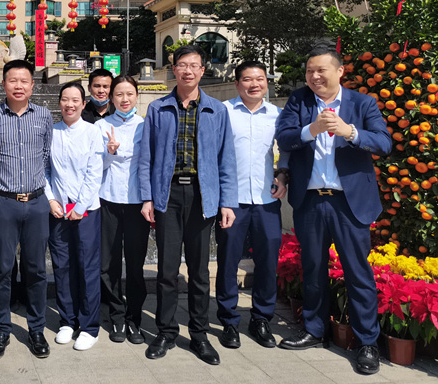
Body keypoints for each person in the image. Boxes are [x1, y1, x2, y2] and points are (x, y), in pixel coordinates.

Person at [276, 48, 391, 375]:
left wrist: (349, 132)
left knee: (357, 271)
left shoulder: (362, 103)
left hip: (348, 203)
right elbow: (283, 136)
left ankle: (367, 342)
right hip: (311, 200)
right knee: (313, 268)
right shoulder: (299, 101)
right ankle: (315, 330)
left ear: (340, 72)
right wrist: (310, 130)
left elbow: (384, 143)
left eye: (321, 70)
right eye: (309, 71)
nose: (314, 77)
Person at [138, 45, 238, 365]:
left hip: (202, 196)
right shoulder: (158, 108)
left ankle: (199, 334)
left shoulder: (217, 110)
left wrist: (227, 202)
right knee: (167, 270)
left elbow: (226, 159)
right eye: (182, 65)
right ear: (174, 69)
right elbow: (146, 157)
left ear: (202, 70)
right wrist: (147, 197)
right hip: (167, 195)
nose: (188, 71)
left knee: (199, 272)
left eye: (194, 65)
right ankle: (166, 332)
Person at [0, 60, 54, 360]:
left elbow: (45, 154)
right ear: (4, 84)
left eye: (24, 81)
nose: (18, 86)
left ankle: (36, 329)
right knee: (2, 268)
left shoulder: (44, 115)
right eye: (13, 80)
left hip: (36, 202)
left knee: (36, 269)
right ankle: (1, 329)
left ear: (32, 86)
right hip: (4, 203)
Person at [216, 61, 288, 351]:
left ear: (267, 83)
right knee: (228, 261)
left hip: (266, 200)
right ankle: (228, 320)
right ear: (237, 84)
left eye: (259, 79)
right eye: (247, 79)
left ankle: (261, 319)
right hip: (232, 202)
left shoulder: (277, 114)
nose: (254, 84)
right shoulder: (223, 111)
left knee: (268, 261)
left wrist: (283, 174)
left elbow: (287, 150)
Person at [46, 81, 104, 351]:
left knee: (87, 267)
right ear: (59, 102)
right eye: (65, 99)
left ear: (83, 104)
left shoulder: (93, 132)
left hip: (86, 211)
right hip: (58, 210)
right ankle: (67, 321)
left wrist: (80, 206)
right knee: (62, 266)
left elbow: (94, 171)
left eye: (75, 100)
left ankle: (90, 327)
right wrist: (51, 199)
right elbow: (45, 170)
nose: (69, 104)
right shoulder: (51, 131)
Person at [97, 74, 149, 345]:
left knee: (136, 264)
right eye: (119, 94)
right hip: (108, 200)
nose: (124, 99)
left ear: (137, 96)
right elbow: (95, 167)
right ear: (111, 97)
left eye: (129, 94)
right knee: (109, 264)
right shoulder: (101, 125)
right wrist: (110, 152)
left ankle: (134, 318)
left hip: (138, 203)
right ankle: (117, 315)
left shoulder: (146, 125)